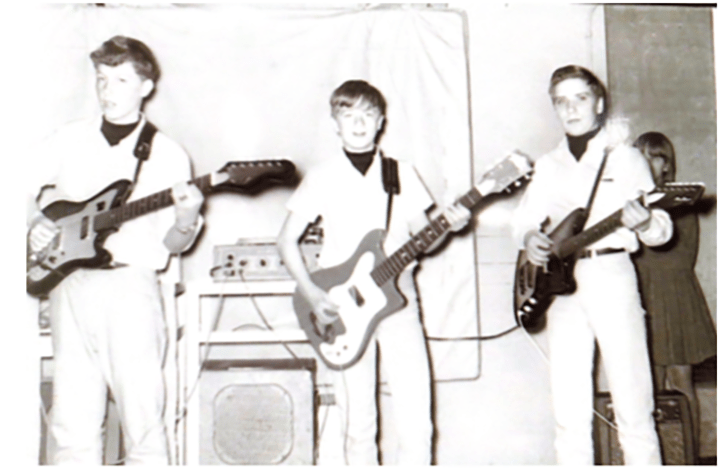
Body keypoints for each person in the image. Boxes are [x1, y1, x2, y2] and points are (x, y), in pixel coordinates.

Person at [26, 35, 204, 465]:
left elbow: (173, 245)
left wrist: (186, 219)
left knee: (143, 419)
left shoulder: (167, 155)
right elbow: (15, 188)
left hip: (131, 288)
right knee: (71, 423)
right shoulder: (67, 139)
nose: (108, 91)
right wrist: (36, 221)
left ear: (146, 86)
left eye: (121, 80)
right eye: (102, 80)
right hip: (69, 286)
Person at [277, 79, 470, 465]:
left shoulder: (402, 173)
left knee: (417, 417)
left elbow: (424, 240)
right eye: (349, 115)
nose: (359, 124)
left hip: (400, 303)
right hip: (341, 307)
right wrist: (314, 296)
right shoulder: (322, 175)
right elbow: (286, 242)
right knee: (357, 422)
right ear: (335, 122)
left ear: (381, 121)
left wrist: (449, 224)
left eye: (368, 115)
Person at [511, 65, 673, 465]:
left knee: (633, 403)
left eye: (579, 98)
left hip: (612, 276)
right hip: (561, 288)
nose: (571, 108)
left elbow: (663, 230)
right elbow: (522, 222)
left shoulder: (627, 158)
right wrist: (531, 239)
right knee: (569, 411)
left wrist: (648, 221)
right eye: (561, 101)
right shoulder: (548, 164)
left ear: (598, 104)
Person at [631, 131, 716, 449]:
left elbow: (675, 258)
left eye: (654, 155)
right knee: (647, 385)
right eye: (640, 154)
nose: (647, 162)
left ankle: (691, 455)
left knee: (681, 382)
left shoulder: (680, 200)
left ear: (667, 164)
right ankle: (665, 454)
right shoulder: (633, 203)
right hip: (645, 299)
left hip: (675, 299)